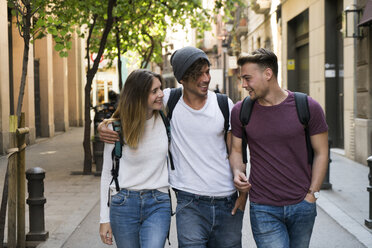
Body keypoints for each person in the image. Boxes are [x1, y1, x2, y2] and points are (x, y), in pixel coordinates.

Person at [99, 46, 246, 248]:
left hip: (225, 200)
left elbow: (235, 150)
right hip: (188, 201)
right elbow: (135, 101)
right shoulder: (169, 101)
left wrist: (243, 189)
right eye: (198, 75)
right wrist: (105, 124)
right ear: (182, 79)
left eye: (207, 72)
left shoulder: (223, 103)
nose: (206, 79)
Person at [229, 48, 329, 248]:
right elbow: (236, 150)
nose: (243, 85)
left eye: (248, 78)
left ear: (268, 74)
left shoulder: (307, 106)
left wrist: (312, 194)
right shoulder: (241, 111)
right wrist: (237, 172)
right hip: (263, 207)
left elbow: (322, 152)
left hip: (302, 204)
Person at [99, 69, 171, 248]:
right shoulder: (115, 129)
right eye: (154, 91)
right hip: (123, 203)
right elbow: (107, 175)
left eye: (160, 88)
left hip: (158, 202)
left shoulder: (164, 116)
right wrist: (104, 219)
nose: (161, 94)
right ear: (138, 96)